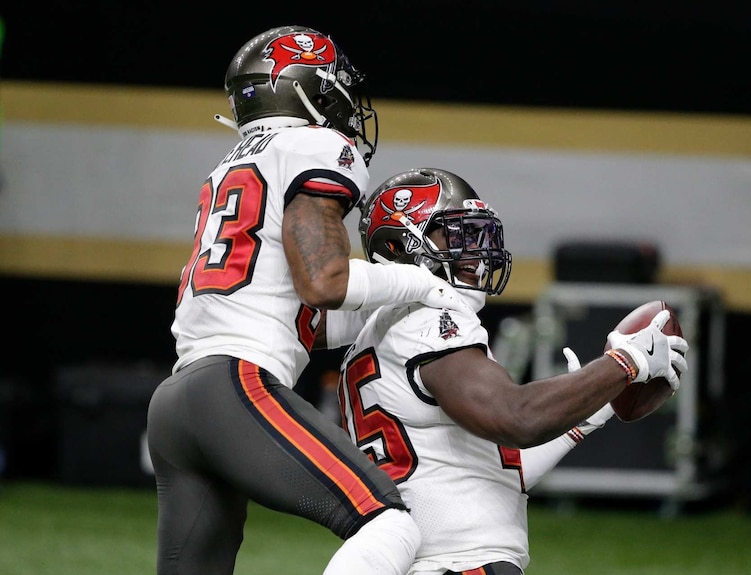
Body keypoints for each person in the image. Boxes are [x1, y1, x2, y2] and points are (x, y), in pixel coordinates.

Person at [146, 27, 468, 575]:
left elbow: (300, 319)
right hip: (235, 387)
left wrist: (386, 314)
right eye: (334, 87)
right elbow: (325, 284)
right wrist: (424, 286)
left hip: (176, 402)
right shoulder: (315, 145)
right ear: (304, 89)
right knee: (388, 523)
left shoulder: (231, 163)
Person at [335, 167, 689, 575]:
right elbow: (517, 418)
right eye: (454, 235)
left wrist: (589, 413)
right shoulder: (430, 321)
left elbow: (495, 468)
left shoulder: (381, 332)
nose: (474, 251)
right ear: (397, 246)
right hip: (459, 564)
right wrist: (622, 365)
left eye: (476, 235)